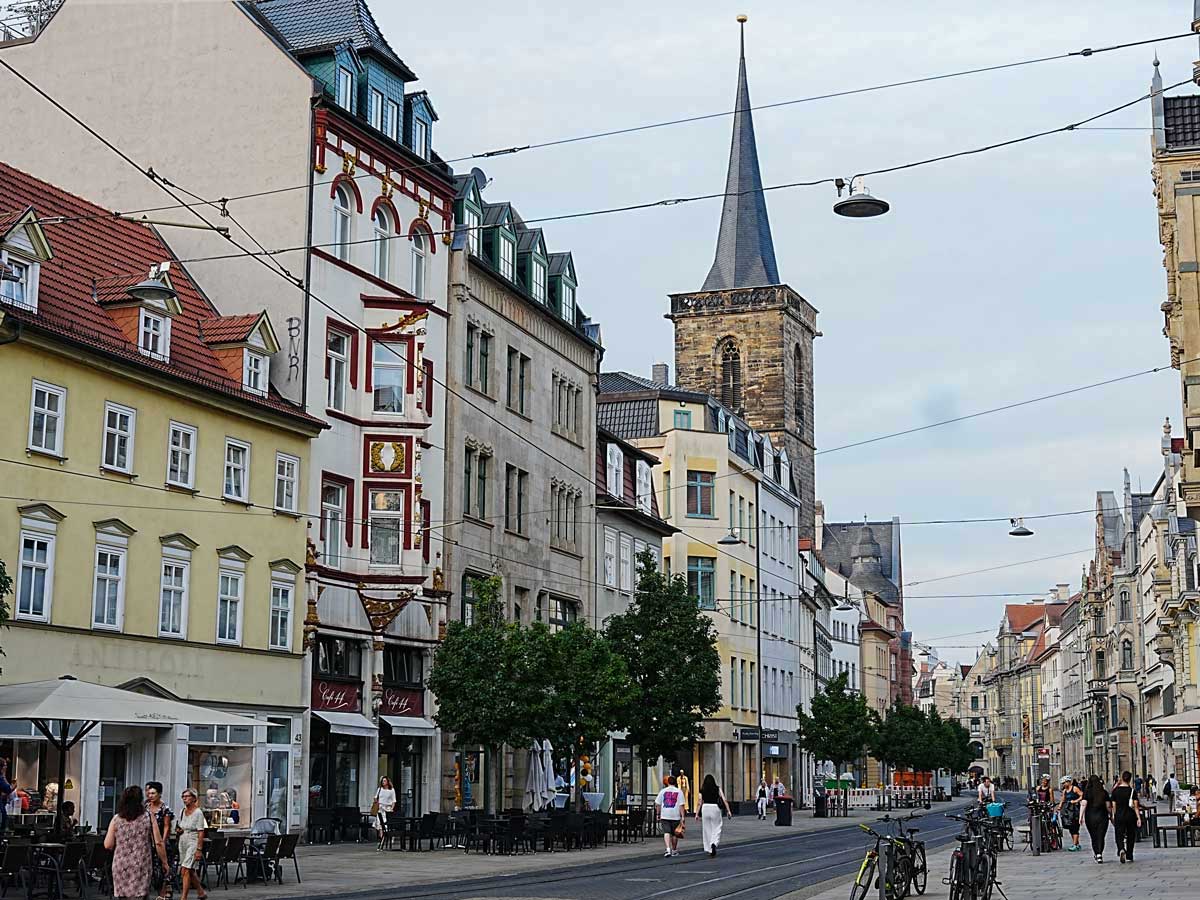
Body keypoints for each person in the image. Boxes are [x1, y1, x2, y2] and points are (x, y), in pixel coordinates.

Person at [105, 785, 167, 900]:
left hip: (121, 864)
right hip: (141, 864)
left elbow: (108, 844)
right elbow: (158, 842)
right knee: (140, 895)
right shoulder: (148, 816)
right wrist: (165, 862)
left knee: (123, 897)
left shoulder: (116, 819)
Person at [176, 789, 209, 900]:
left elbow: (201, 831)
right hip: (183, 840)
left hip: (193, 840)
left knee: (185, 869)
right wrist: (178, 830)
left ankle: (184, 897)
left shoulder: (198, 813)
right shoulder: (182, 811)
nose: (185, 798)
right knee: (190, 869)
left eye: (187, 796)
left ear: (194, 798)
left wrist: (199, 849)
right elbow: (181, 825)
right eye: (183, 796)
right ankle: (200, 892)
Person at [146, 782, 174, 900]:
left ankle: (163, 892)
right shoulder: (145, 806)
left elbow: (167, 826)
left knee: (162, 868)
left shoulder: (164, 808)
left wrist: (162, 841)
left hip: (160, 840)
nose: (150, 795)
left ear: (159, 794)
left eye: (153, 793)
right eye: (149, 793)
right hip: (148, 841)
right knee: (151, 868)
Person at [695, 774, 734, 858]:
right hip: (715, 808)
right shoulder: (717, 788)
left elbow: (699, 802)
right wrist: (728, 810)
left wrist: (697, 813)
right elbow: (724, 799)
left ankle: (709, 848)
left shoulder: (702, 790)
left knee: (707, 829)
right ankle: (714, 843)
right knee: (717, 826)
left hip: (705, 808)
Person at [1110, 771, 1141, 864]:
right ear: (1130, 779)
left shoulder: (1115, 791)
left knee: (1119, 834)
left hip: (1119, 815)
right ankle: (1129, 854)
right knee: (1131, 835)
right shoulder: (1132, 791)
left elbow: (1114, 806)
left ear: (1122, 778)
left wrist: (1113, 816)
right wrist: (1138, 818)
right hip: (1130, 816)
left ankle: (1121, 849)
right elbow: (1136, 806)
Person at [1079, 774, 1111, 864]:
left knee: (1093, 836)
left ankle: (1097, 853)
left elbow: (1083, 804)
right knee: (1101, 835)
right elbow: (1108, 806)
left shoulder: (1087, 792)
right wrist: (1111, 815)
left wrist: (1080, 816)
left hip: (1090, 817)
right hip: (1102, 816)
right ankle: (1100, 853)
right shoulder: (1103, 792)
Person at [654, 776, 685, 857]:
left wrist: (658, 814)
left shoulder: (662, 791)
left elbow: (658, 804)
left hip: (665, 815)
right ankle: (674, 850)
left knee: (667, 832)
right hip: (675, 815)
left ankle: (668, 849)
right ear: (675, 782)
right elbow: (681, 805)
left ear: (668, 782)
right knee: (675, 834)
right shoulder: (679, 792)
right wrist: (683, 816)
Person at [1057, 776, 1083, 851]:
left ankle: (1075, 844)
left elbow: (1082, 795)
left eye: (1064, 783)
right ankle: (1077, 844)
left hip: (1075, 810)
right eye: (1063, 783)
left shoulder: (1075, 788)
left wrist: (1075, 801)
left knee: (1075, 827)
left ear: (1068, 782)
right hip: (1068, 811)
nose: (1063, 784)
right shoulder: (1065, 790)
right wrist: (1059, 807)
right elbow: (1063, 799)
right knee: (1070, 827)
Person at [374, 776, 397, 850]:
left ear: (387, 782)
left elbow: (394, 801)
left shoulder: (391, 790)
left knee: (385, 825)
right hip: (380, 809)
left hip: (388, 809)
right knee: (380, 826)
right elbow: (375, 797)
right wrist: (376, 801)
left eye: (384, 781)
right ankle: (381, 839)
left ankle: (385, 838)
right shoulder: (379, 789)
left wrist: (392, 809)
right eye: (382, 781)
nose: (383, 782)